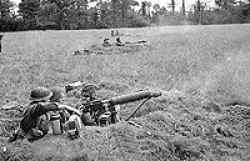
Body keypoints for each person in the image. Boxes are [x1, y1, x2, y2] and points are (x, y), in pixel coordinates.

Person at [8, 87, 79, 142]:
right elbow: (45, 107)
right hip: (28, 136)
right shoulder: (35, 108)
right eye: (47, 99)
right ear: (41, 99)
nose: (49, 101)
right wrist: (65, 107)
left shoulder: (37, 108)